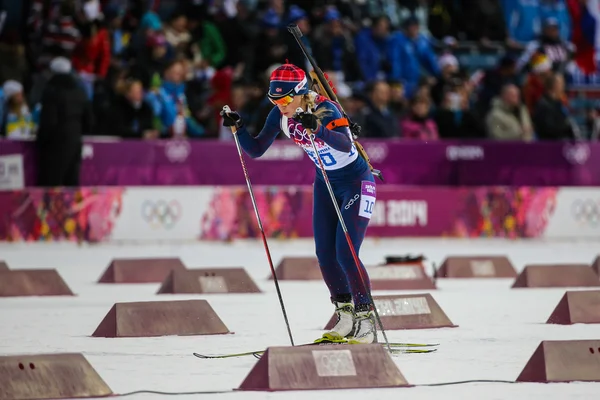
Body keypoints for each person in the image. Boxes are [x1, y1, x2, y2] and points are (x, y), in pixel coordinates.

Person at [220, 64, 377, 344]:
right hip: (325, 183)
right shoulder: (279, 115)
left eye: (283, 100)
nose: (279, 106)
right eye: (273, 100)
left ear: (301, 93)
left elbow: (345, 144)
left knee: (346, 252)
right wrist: (239, 128)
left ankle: (366, 319)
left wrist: (318, 128)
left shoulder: (326, 110)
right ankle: (345, 315)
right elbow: (256, 150)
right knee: (325, 253)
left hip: (356, 182)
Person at [36, 56, 93, 187]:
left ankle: (51, 208)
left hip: (54, 144)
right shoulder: (80, 92)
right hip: (75, 141)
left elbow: (49, 121)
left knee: (50, 183)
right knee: (71, 182)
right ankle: (72, 207)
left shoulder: (51, 91)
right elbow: (89, 120)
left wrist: (41, 140)